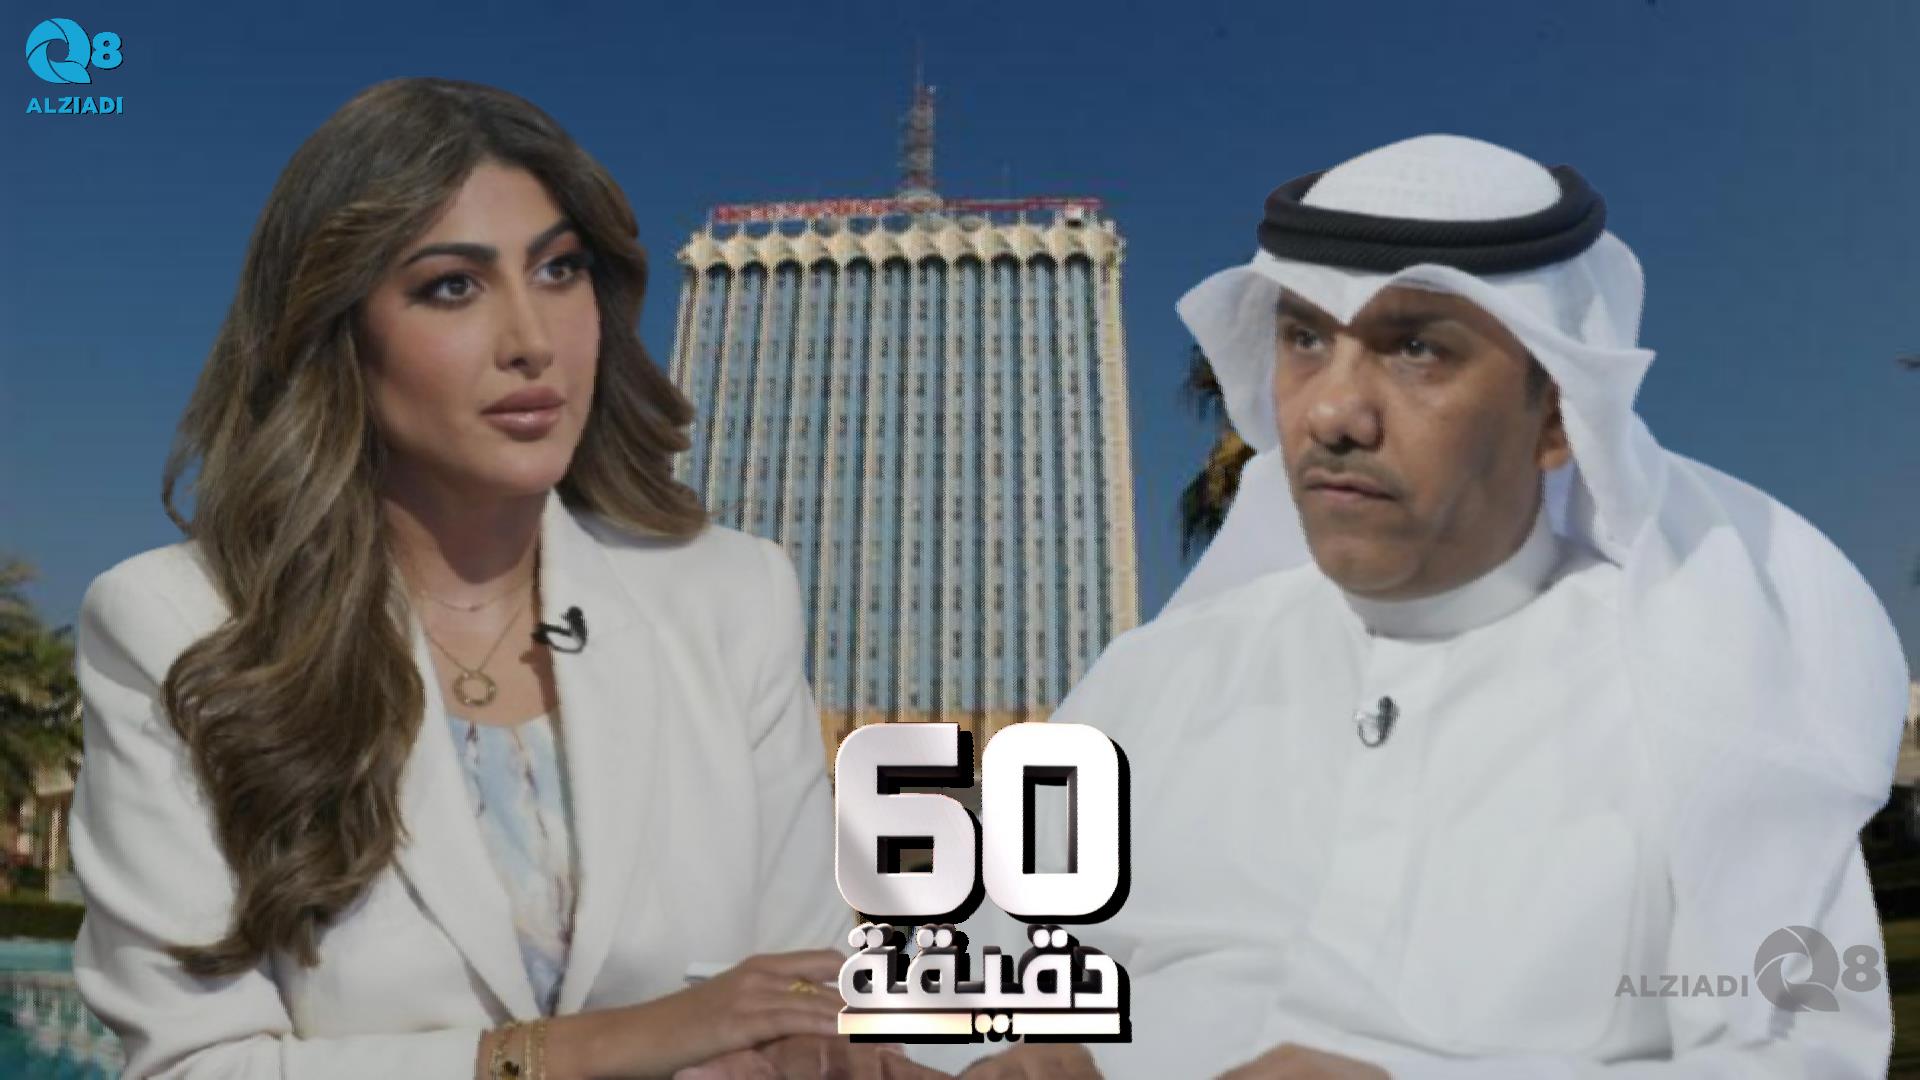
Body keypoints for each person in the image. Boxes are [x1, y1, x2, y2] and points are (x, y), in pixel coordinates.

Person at [940, 135, 1910, 1078]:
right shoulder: (1148, 685)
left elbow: (1802, 1053)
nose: (1332, 413)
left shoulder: (1699, 685)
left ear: (1559, 415)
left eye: (1415, 349)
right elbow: (963, 993)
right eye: (1305, 339)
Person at [67, 77, 917, 1080]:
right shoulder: (174, 625)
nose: (532, 342)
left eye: (559, 271)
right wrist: (604, 1047)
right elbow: (194, 1069)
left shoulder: (733, 596)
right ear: (335, 329)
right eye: (452, 287)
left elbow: (802, 998)